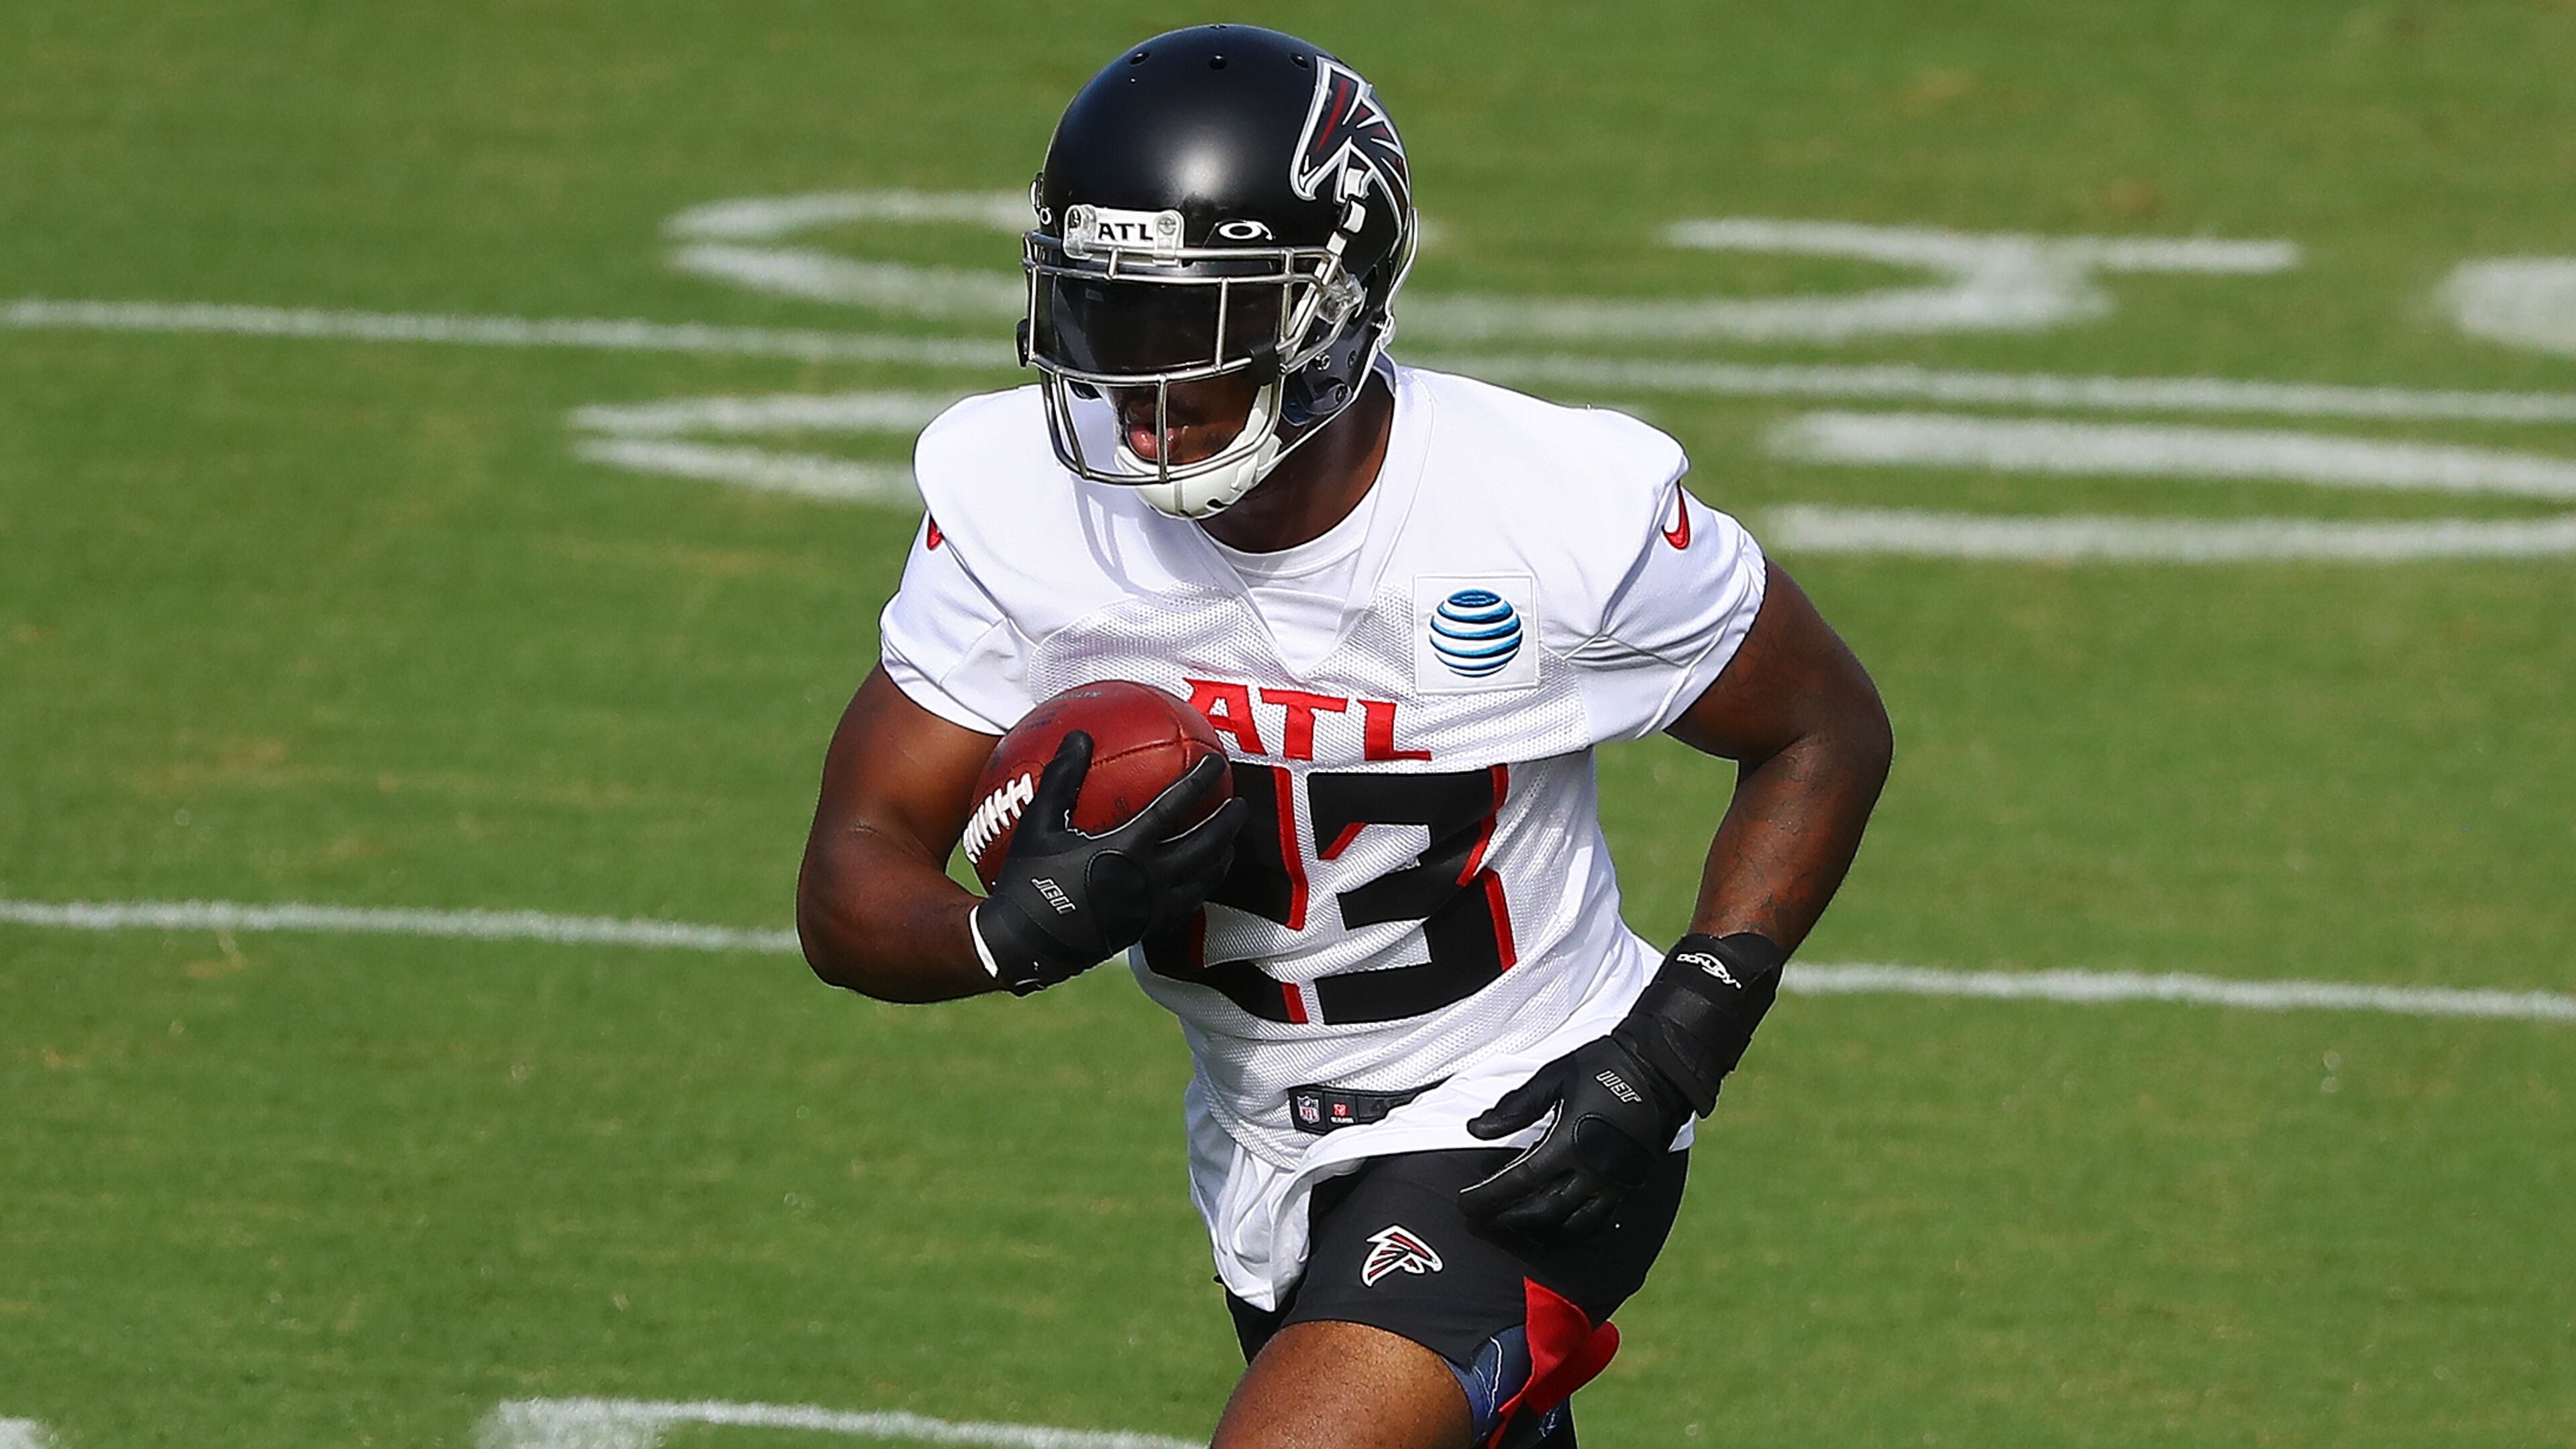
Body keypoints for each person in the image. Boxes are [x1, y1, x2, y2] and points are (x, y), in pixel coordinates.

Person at [796, 24, 1892, 1449]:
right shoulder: (1022, 507)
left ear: (1331, 306)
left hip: (1524, 1113)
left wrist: (1685, 1032)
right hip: (1259, 1140)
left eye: (1196, 327)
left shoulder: (1549, 511)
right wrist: (1000, 938)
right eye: (1105, 319)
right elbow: (853, 871)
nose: (1137, 393)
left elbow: (1822, 727)